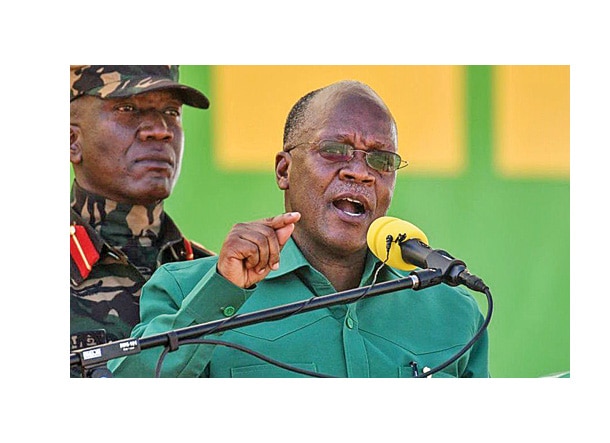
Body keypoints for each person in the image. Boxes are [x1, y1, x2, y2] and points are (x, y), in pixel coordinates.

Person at [107, 79, 490, 378]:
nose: (360, 172)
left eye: (381, 160)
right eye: (335, 150)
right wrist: (221, 292)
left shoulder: (453, 313)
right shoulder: (187, 290)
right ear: (284, 170)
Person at [70, 66, 214, 373]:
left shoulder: (211, 276)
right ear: (72, 140)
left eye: (171, 112)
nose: (160, 130)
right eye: (127, 108)